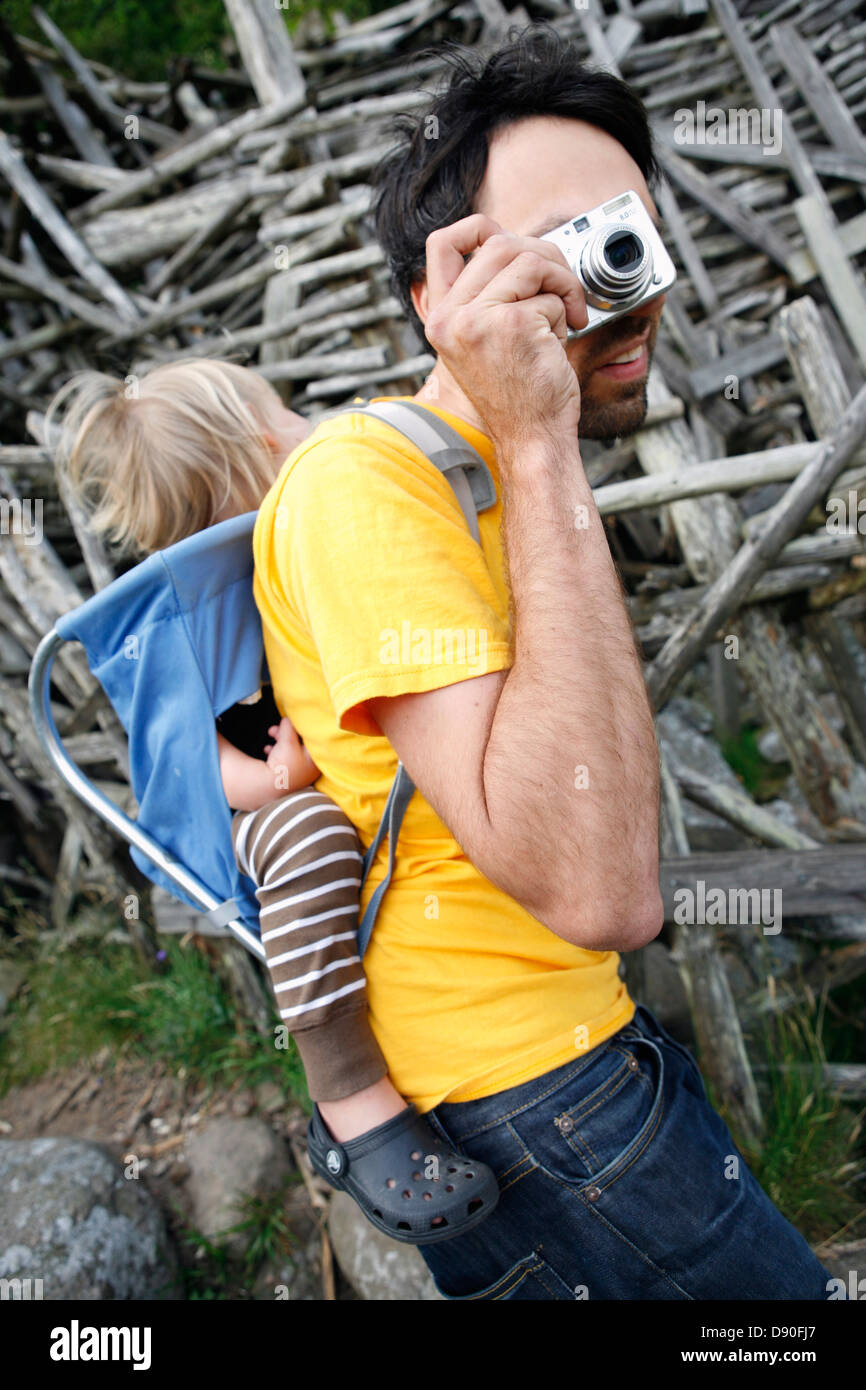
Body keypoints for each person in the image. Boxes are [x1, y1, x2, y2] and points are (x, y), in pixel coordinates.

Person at [251, 27, 837, 1298]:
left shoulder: (502, 471)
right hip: (530, 1112)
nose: (620, 284)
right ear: (437, 291)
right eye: (561, 248)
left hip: (570, 1078)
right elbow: (599, 891)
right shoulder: (368, 485)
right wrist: (535, 441)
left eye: (626, 230)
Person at [46, 356, 500, 1245]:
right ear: (260, 444)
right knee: (316, 837)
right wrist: (278, 779)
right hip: (252, 817)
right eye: (285, 410)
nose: (302, 421)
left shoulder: (282, 547)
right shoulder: (191, 612)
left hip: (299, 783)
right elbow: (187, 765)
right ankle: (351, 1104)